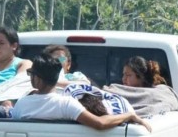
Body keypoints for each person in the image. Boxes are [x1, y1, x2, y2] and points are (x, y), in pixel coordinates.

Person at [11, 53, 150, 131]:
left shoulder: (22, 104)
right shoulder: (65, 104)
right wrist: (129, 116)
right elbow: (100, 123)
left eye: (31, 74)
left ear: (38, 78)